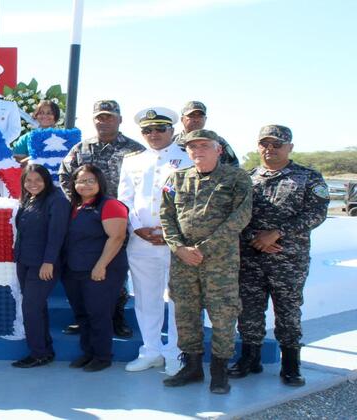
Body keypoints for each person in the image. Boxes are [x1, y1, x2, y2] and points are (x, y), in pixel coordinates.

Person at [228, 125, 329, 387]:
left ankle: (291, 365)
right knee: (248, 310)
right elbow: (235, 216)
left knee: (288, 311)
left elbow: (316, 214)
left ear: (289, 147)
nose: (270, 149)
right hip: (250, 256)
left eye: (277, 144)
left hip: (288, 258)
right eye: (265, 144)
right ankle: (250, 358)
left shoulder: (308, 177)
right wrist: (255, 238)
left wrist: (277, 233)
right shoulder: (246, 179)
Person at [160, 129, 252, 394]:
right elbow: (166, 216)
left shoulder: (236, 177)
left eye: (204, 146)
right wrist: (178, 248)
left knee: (223, 315)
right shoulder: (176, 179)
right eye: (192, 147)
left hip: (219, 261)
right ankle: (191, 367)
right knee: (186, 313)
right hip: (183, 261)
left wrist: (203, 248)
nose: (197, 151)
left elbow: (240, 217)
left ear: (218, 149)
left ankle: (220, 371)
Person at [58, 99, 144, 338]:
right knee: (81, 269)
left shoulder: (135, 150)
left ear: (119, 119)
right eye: (99, 117)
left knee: (114, 270)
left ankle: (115, 317)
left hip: (119, 218)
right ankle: (84, 318)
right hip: (88, 218)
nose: (103, 121)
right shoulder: (81, 148)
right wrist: (79, 203)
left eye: (108, 116)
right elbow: (66, 175)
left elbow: (146, 184)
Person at [118, 107, 193, 376]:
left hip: (174, 242)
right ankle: (151, 350)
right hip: (141, 241)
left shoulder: (186, 159)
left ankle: (174, 352)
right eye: (148, 130)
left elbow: (191, 202)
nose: (154, 134)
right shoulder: (132, 161)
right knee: (146, 298)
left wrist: (169, 232)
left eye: (160, 128)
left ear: (172, 130)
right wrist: (137, 227)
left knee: (176, 298)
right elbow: (124, 199)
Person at [62, 164, 129, 372]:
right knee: (82, 313)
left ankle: (102, 356)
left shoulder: (110, 205)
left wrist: (101, 265)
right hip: (75, 269)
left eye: (91, 181)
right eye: (81, 181)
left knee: (98, 313)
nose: (85, 185)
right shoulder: (74, 206)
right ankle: (88, 353)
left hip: (101, 270)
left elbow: (117, 237)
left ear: (100, 183)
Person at [12, 164, 70, 368]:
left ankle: (37, 353)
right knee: (36, 307)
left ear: (46, 180)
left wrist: (49, 262)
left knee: (30, 308)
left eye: (38, 180)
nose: (32, 184)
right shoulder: (30, 199)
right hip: (25, 261)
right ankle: (44, 349)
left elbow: (57, 236)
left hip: (43, 264)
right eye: (28, 180)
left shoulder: (57, 201)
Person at [173, 101, 239, 166]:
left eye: (200, 116)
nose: (196, 120)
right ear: (182, 119)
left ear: (205, 119)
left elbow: (234, 166)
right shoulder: (172, 142)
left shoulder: (218, 141)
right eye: (191, 116)